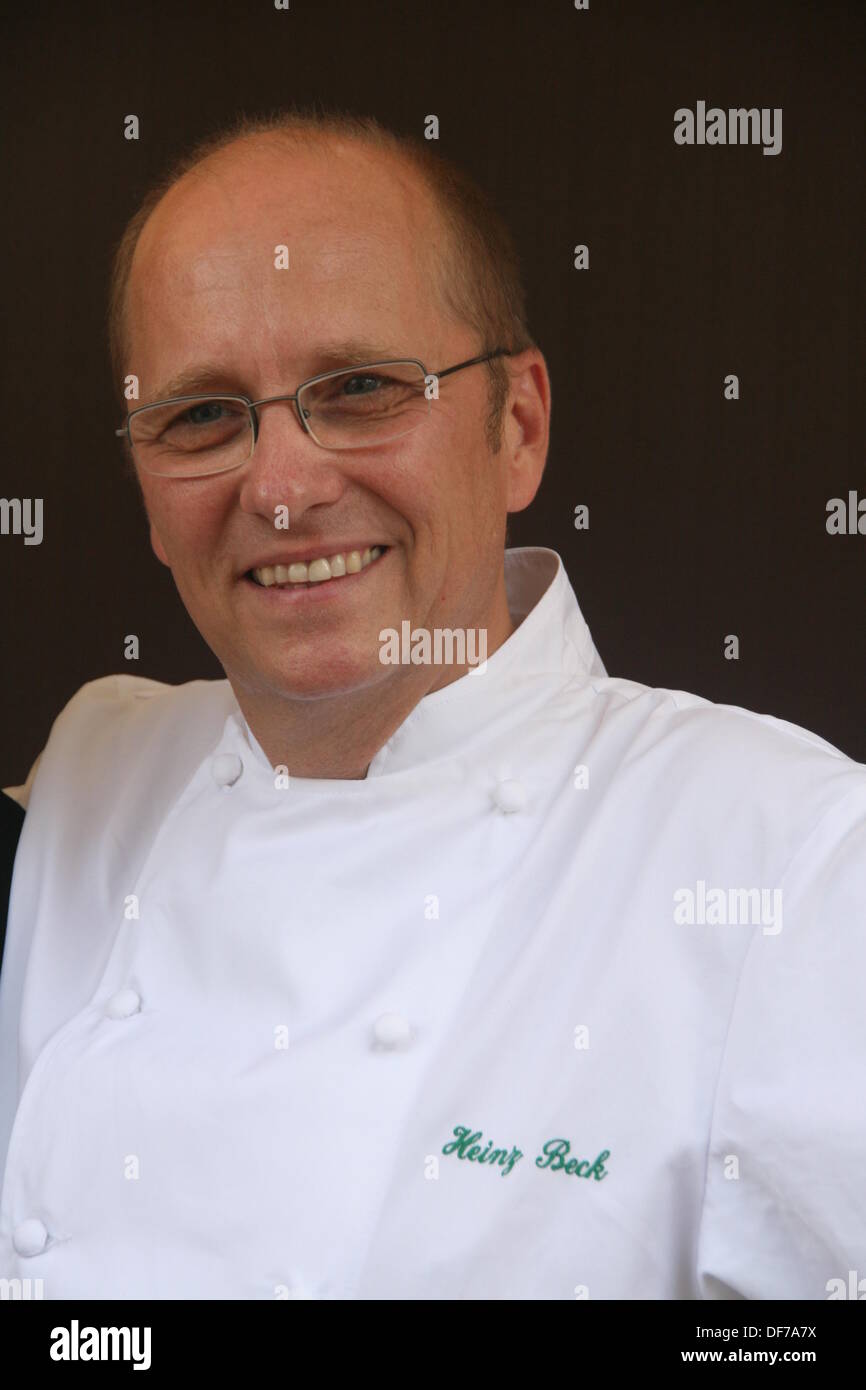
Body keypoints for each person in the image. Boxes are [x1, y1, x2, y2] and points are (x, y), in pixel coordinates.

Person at [1, 109, 864, 1302]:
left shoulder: (794, 857)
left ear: (515, 428)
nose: (284, 490)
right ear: (148, 495)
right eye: (200, 416)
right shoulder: (95, 771)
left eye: (358, 389)